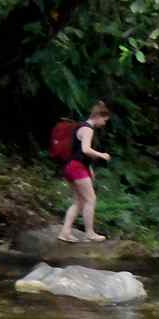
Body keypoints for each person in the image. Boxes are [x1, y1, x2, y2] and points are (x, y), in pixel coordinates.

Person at [58, 101, 112, 243]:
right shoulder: (88, 129)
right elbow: (85, 150)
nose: (104, 124)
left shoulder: (81, 127)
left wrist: (90, 169)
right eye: (105, 120)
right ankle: (90, 233)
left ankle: (65, 232)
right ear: (98, 116)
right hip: (77, 168)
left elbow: (79, 153)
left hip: (71, 167)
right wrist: (102, 155)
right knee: (90, 199)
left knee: (78, 202)